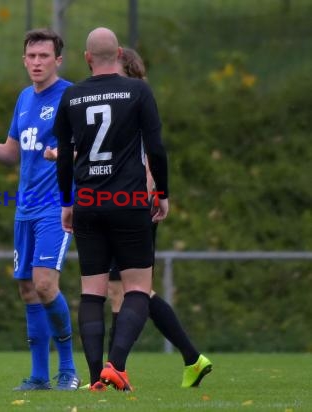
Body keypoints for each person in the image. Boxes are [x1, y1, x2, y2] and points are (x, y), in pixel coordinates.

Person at [0, 28, 80, 391]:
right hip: (23, 209)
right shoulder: (25, 98)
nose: (37, 62)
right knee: (27, 289)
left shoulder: (70, 96)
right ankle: (39, 376)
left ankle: (68, 369)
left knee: (44, 283)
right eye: (32, 56)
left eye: (44, 56)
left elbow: (89, 150)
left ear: (58, 59)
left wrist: (65, 156)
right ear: (24, 60)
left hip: (56, 206)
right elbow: (12, 154)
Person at [54, 27, 169, 392]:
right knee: (137, 288)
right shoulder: (137, 90)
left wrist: (67, 203)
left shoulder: (71, 96)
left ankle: (94, 380)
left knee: (92, 292)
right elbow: (156, 148)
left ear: (86, 58)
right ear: (118, 54)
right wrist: (162, 193)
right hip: (129, 201)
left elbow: (64, 161)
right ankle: (115, 365)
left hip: (87, 202)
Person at [106, 48, 212, 389]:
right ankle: (191, 358)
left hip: (135, 205)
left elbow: (151, 152)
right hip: (121, 204)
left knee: (125, 289)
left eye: (114, 71)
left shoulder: (135, 102)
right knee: (130, 289)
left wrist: (150, 193)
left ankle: (113, 371)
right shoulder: (122, 102)